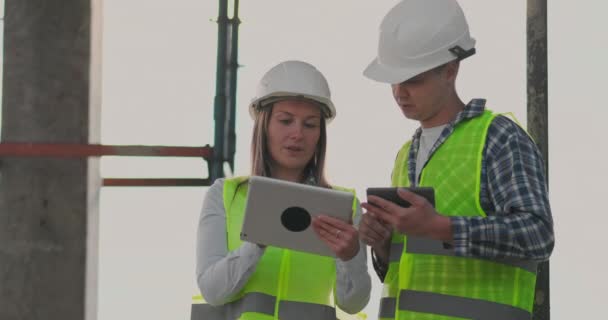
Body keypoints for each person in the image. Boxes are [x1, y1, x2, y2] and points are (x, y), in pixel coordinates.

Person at [358, 0, 555, 319]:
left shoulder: (498, 137)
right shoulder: (404, 155)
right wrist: (381, 245)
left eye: (413, 80)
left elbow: (537, 234)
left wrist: (441, 226)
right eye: (394, 80)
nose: (399, 92)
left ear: (450, 70)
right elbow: (404, 270)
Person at [191, 60, 371, 320]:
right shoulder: (225, 195)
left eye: (310, 124)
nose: (297, 134)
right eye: (286, 121)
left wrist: (350, 256)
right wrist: (257, 241)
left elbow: (353, 304)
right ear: (263, 125)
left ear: (320, 134)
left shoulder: (344, 205)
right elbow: (212, 291)